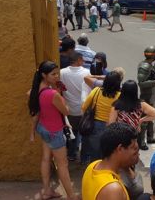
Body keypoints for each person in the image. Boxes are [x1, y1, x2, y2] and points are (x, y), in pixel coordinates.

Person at [28, 61, 79, 200]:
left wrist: (32, 133)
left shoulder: (36, 88)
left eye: (57, 73)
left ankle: (46, 190)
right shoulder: (52, 94)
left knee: (46, 158)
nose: (57, 76)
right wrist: (61, 98)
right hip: (54, 131)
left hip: (43, 128)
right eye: (53, 74)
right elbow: (66, 111)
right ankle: (71, 196)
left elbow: (37, 110)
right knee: (63, 165)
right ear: (44, 75)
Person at [82, 122, 139, 200]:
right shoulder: (113, 190)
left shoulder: (93, 165)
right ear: (120, 149)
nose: (137, 154)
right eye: (134, 149)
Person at [81, 71, 123, 163]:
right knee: (109, 154)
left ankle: (94, 172)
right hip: (113, 127)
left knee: (95, 154)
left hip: (96, 125)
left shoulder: (96, 91)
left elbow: (84, 107)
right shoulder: (120, 96)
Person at [108, 80, 155, 150]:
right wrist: (141, 120)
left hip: (120, 138)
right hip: (134, 137)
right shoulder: (141, 104)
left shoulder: (116, 105)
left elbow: (111, 125)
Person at [60, 51, 91, 162]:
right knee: (86, 135)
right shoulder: (86, 72)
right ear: (78, 60)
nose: (83, 62)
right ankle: (84, 158)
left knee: (72, 133)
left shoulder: (62, 72)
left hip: (69, 109)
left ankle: (71, 154)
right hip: (83, 110)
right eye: (82, 60)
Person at [137, 46, 155, 150]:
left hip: (151, 94)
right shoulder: (144, 66)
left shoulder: (149, 65)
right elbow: (141, 83)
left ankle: (150, 137)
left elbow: (154, 72)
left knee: (151, 117)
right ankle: (141, 141)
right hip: (145, 96)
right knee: (144, 119)